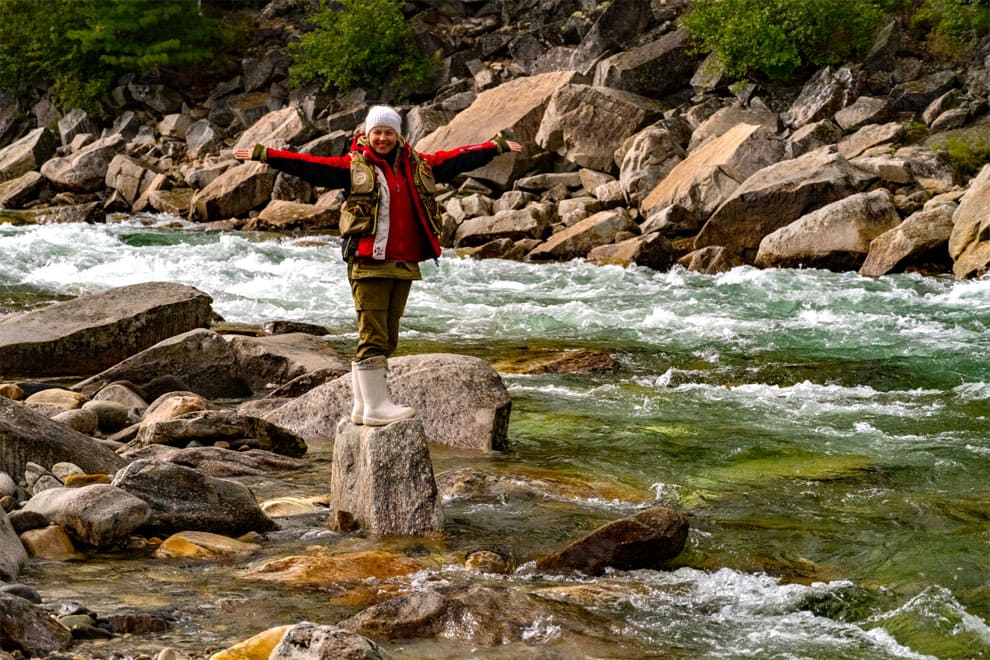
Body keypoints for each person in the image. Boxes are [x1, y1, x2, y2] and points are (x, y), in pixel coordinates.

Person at [234, 105, 522, 426]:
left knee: (388, 338)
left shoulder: (418, 165)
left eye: (388, 132)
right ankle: (376, 408)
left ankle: (362, 405)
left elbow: (456, 158)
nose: (382, 138)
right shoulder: (350, 166)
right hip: (368, 261)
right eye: (377, 132)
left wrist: (493, 147)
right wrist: (266, 154)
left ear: (398, 135)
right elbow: (309, 165)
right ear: (367, 135)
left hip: (403, 262)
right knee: (372, 336)